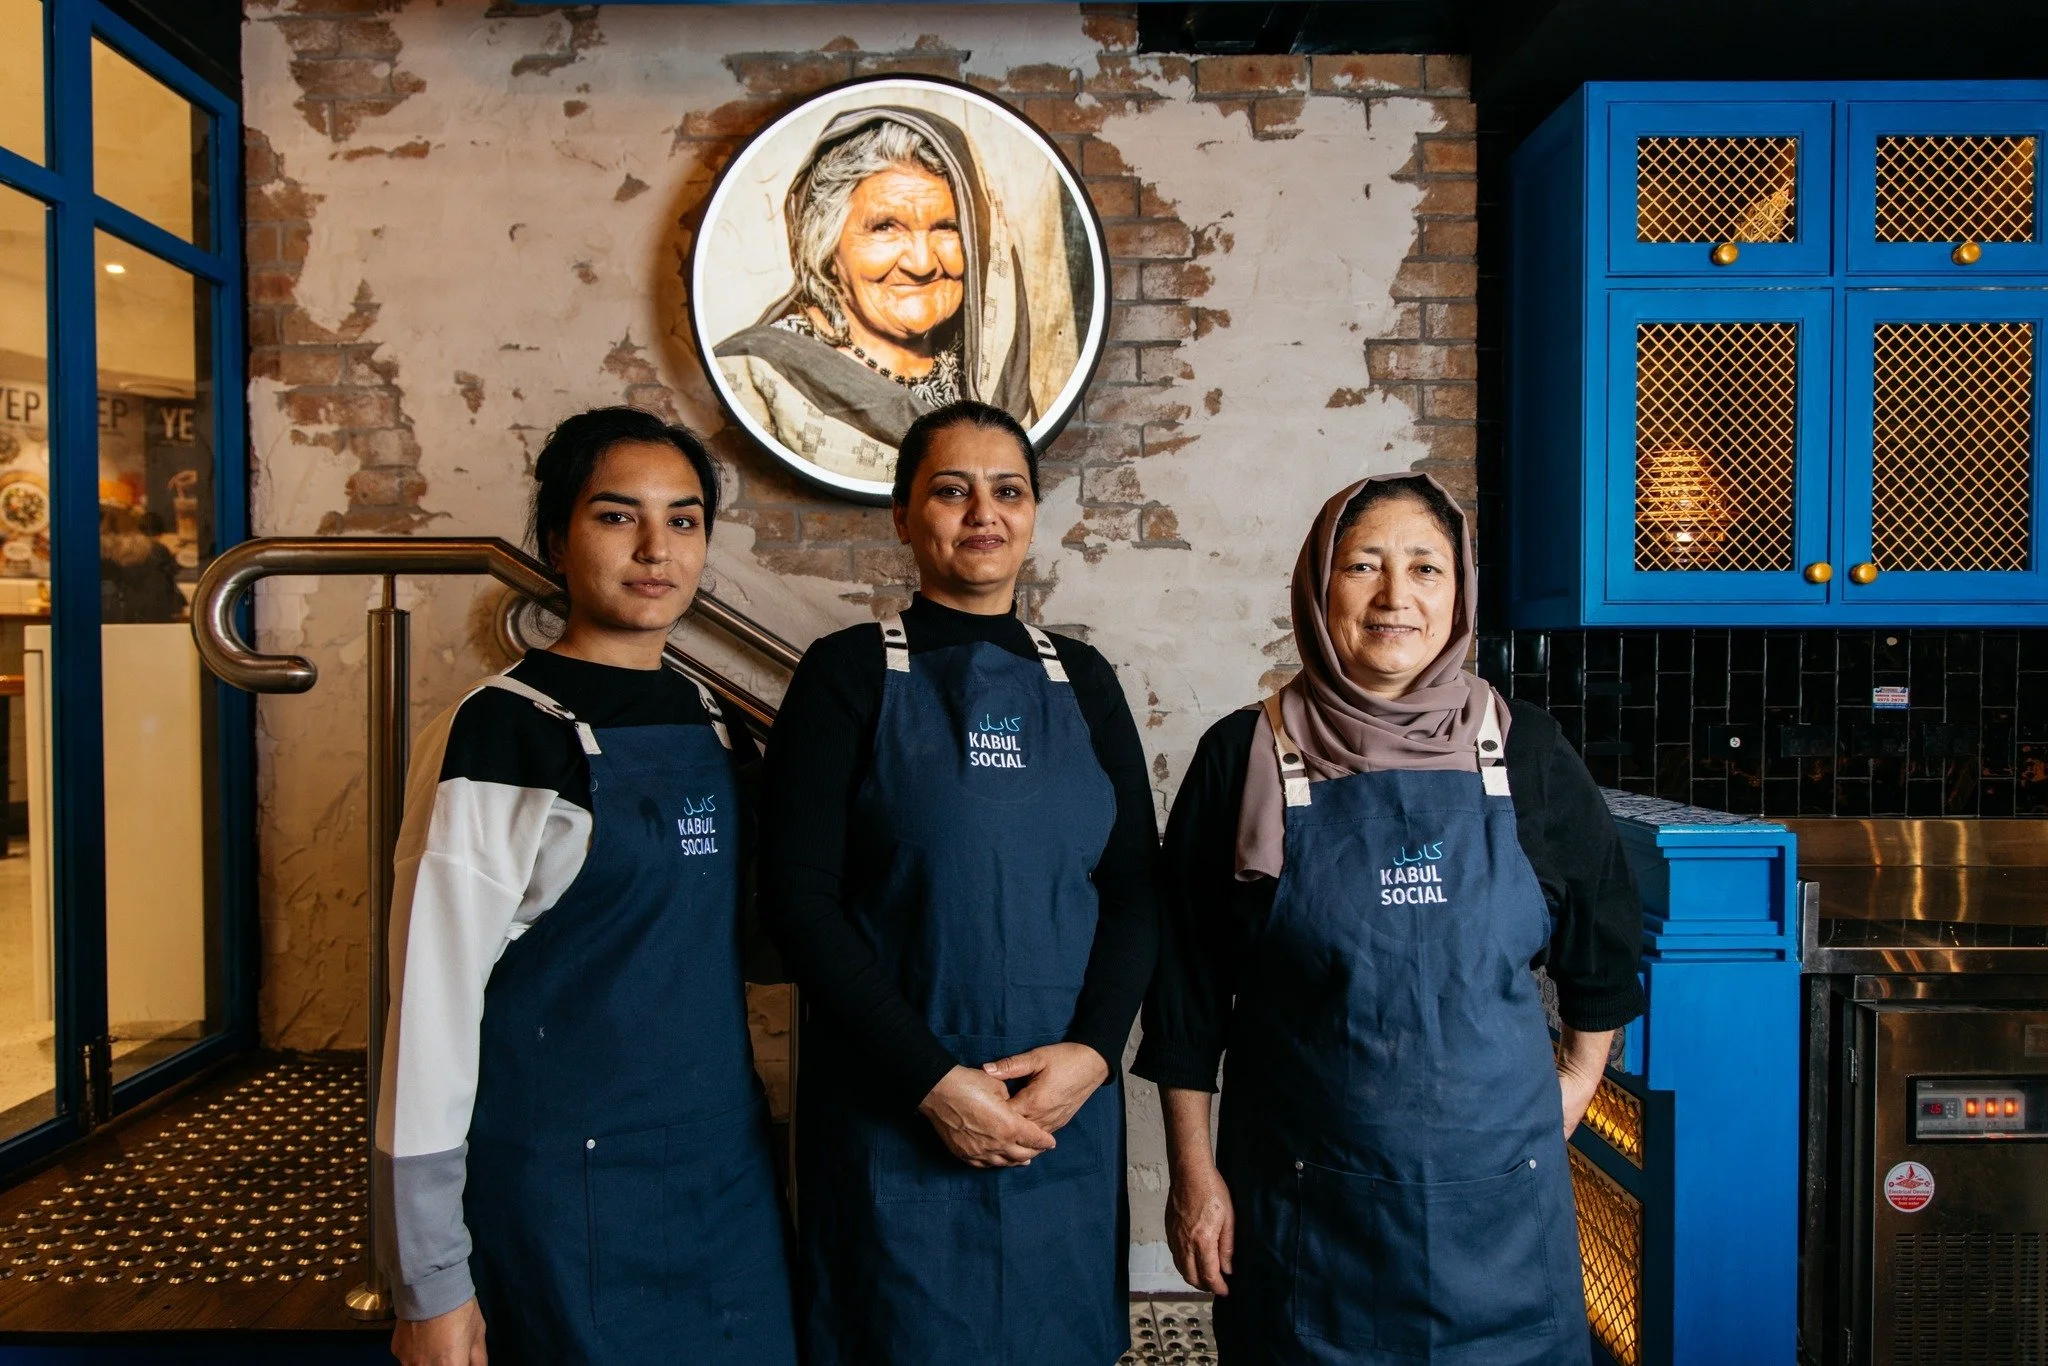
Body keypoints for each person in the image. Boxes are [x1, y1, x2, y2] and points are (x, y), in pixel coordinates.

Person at [1134, 473, 1646, 1365]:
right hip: (1304, 1212)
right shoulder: (1243, 756)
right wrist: (1194, 1174)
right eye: (1363, 566)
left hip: (1501, 1213)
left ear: (1461, 593)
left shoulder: (1524, 750)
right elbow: (1186, 995)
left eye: (1426, 569)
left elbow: (1602, 940)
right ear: (1318, 583)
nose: (1394, 598)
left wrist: (1575, 1082)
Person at [379, 407, 798, 1366]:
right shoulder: (501, 731)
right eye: (618, 517)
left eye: (684, 520)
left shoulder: (714, 722)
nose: (657, 548)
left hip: (721, 1174)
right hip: (564, 1190)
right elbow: (428, 1017)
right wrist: (431, 1278)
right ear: (555, 541)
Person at [761, 400, 1157, 1365]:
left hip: (1061, 1115)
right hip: (895, 1113)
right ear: (903, 516)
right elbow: (798, 901)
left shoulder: (1086, 680)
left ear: (1031, 513)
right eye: (951, 489)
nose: (984, 511)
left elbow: (1138, 888)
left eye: (1008, 490)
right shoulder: (846, 674)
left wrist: (1096, 1054)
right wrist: (930, 1082)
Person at [715, 108, 1038, 482]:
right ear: (827, 246)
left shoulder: (991, 369)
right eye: (886, 227)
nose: (921, 263)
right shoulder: (751, 374)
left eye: (947, 228)